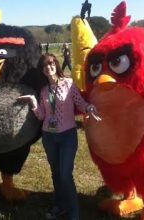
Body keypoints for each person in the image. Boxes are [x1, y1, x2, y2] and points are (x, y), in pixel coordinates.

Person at [18, 53, 100, 220]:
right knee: (55, 173)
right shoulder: (43, 91)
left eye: (51, 63)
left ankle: (73, 214)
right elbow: (41, 116)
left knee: (65, 174)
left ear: (56, 64)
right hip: (49, 136)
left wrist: (89, 108)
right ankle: (60, 206)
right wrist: (33, 102)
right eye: (45, 66)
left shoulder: (69, 84)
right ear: (43, 70)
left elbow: (80, 103)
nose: (48, 67)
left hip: (67, 136)